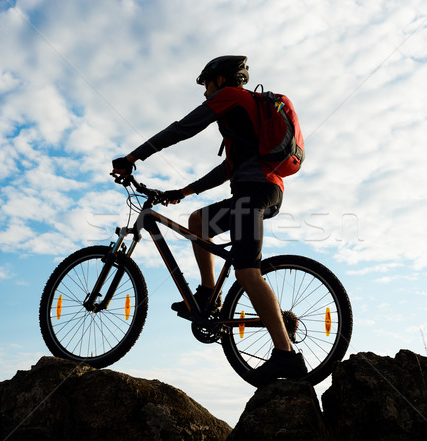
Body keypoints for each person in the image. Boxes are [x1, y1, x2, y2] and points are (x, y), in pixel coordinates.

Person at [111, 55, 307, 385]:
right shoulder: (241, 120)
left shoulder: (232, 97)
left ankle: (286, 356)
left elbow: (182, 128)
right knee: (198, 222)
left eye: (206, 83)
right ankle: (208, 294)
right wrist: (183, 191)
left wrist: (132, 157)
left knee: (247, 272)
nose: (204, 91)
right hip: (258, 189)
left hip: (256, 191)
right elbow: (228, 168)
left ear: (221, 80)